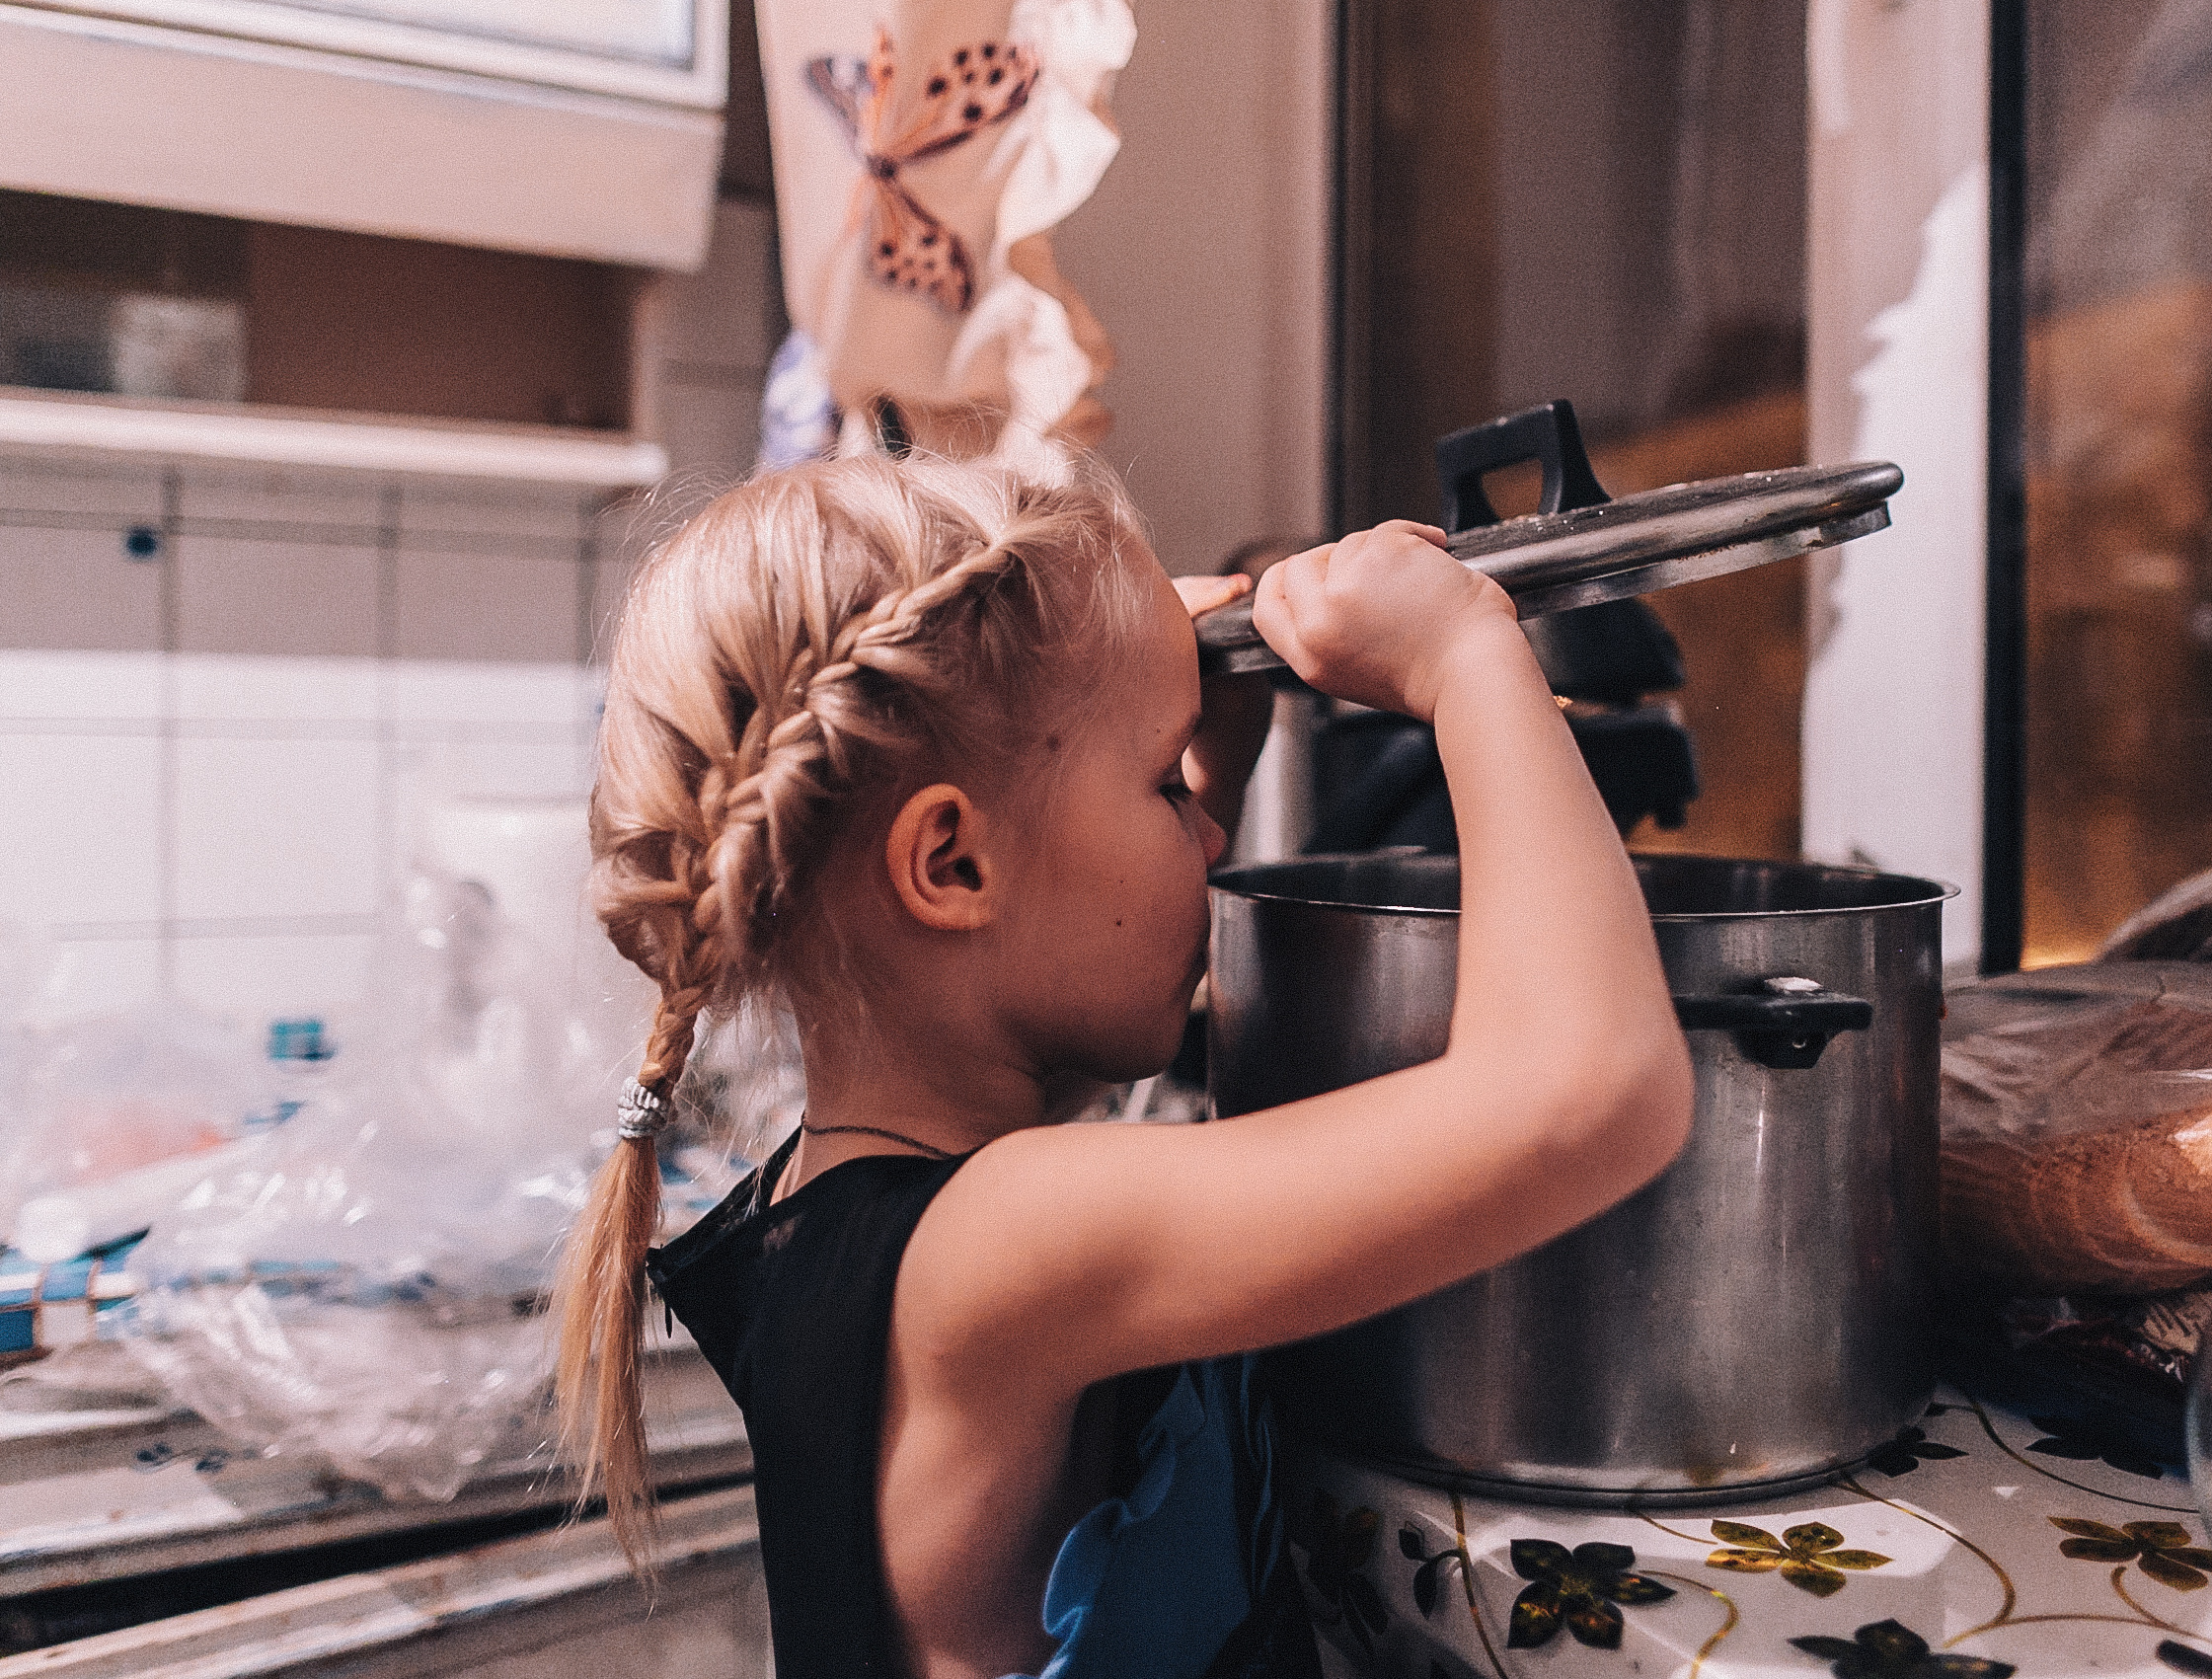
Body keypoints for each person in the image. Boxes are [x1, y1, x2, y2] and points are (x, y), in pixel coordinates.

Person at [553, 452, 1693, 1679]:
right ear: (950, 865)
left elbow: (1063, 1002)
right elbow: (1588, 1094)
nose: (1210, 833)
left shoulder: (846, 1199)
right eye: (1163, 787)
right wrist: (1466, 660)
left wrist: (1190, 735)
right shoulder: (999, 1245)